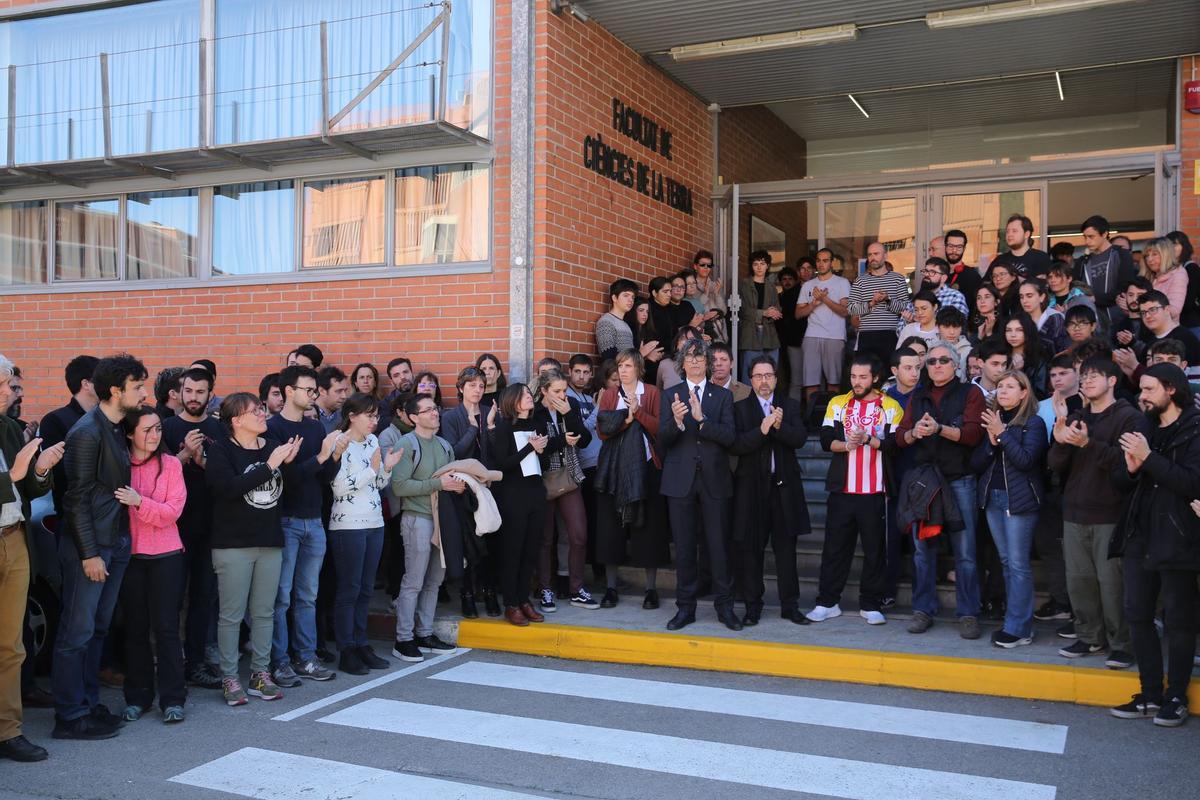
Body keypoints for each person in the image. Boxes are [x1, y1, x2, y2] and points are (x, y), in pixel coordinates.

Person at [53, 354, 147, 740]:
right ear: (115, 390)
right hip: (91, 547)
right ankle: (70, 716)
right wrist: (90, 553)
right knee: (76, 632)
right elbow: (75, 500)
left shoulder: (114, 426)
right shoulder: (86, 432)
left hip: (115, 541)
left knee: (97, 629)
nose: (143, 393)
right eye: (138, 386)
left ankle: (89, 704)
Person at [1111, 364, 1200, 726]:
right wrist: (1132, 468)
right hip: (1140, 534)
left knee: (1179, 621)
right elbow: (1120, 479)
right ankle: (1149, 693)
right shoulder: (1143, 427)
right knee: (1137, 614)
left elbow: (1192, 484)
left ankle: (1175, 695)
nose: (1141, 396)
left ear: (1171, 390)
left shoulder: (1195, 430)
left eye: (1148, 390)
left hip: (1179, 536)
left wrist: (1148, 459)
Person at [1048, 356, 1146, 668]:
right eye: (1084, 376)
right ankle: (1090, 637)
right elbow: (1054, 464)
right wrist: (1061, 438)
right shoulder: (1077, 415)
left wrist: (1088, 443)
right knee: (1079, 581)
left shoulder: (1129, 417)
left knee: (1112, 584)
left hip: (1111, 512)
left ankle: (1122, 643)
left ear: (1113, 380)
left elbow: (1127, 464)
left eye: (1095, 376)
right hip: (1074, 510)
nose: (1087, 381)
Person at [207, 393, 299, 707]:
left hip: (269, 541)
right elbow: (227, 490)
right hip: (232, 544)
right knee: (231, 615)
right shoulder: (220, 451)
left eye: (261, 409)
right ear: (235, 420)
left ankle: (261, 673)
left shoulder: (272, 448)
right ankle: (230, 676)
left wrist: (288, 462)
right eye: (254, 411)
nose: (262, 414)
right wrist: (270, 467)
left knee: (264, 612)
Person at [896, 342, 986, 638]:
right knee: (922, 552)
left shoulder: (970, 393)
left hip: (959, 479)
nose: (935, 365)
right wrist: (914, 433)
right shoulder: (918, 395)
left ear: (956, 364)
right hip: (924, 481)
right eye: (931, 361)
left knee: (966, 552)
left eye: (942, 360)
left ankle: (969, 613)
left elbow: (973, 434)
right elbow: (899, 436)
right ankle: (923, 610)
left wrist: (938, 429)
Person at [264, 366, 343, 687]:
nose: (312, 396)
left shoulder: (314, 429)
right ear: (288, 391)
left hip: (315, 519)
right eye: (308, 390)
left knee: (308, 595)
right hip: (286, 520)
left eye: (314, 391)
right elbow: (286, 479)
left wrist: (333, 457)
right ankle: (280, 661)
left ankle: (306, 656)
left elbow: (325, 480)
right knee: (281, 596)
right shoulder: (273, 429)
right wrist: (322, 457)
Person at [0, 355, 61, 762]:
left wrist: (39, 469)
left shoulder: (8, 427)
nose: (11, 391)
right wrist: (15, 474)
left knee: (12, 646)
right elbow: (13, 481)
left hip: (14, 537)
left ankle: (8, 731)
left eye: (10, 384)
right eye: (4, 383)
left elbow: (32, 491)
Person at [811, 353, 901, 625]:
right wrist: (846, 445)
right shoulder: (837, 403)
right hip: (842, 490)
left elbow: (895, 445)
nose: (857, 381)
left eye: (863, 377)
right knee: (834, 549)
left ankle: (871, 604)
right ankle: (827, 601)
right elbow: (826, 440)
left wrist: (868, 440)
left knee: (874, 550)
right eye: (853, 376)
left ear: (875, 378)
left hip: (874, 491)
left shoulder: (892, 406)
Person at [657, 340, 740, 632]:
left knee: (718, 547)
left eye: (699, 357)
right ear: (682, 362)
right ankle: (685, 609)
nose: (694, 362)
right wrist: (677, 422)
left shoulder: (722, 396)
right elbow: (662, 442)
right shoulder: (670, 395)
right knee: (684, 548)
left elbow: (730, 438)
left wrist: (702, 420)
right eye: (689, 357)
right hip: (679, 482)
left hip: (714, 480)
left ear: (707, 362)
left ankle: (725, 608)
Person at [116, 406, 187, 723]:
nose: (154, 435)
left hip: (167, 555)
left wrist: (140, 502)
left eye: (158, 429)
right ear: (130, 433)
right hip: (131, 557)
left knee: (167, 629)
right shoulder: (119, 465)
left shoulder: (171, 464)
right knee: (135, 629)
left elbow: (172, 512)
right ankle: (137, 697)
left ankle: (173, 698)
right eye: (146, 430)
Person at [729, 356, 809, 626]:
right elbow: (737, 445)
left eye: (768, 375)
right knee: (751, 552)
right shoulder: (740, 409)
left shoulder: (791, 406)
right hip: (752, 491)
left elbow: (798, 439)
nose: (764, 381)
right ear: (750, 380)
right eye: (758, 376)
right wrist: (762, 430)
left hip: (784, 489)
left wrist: (778, 426)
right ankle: (753, 606)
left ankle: (791, 606)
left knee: (787, 551)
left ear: (776, 378)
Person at [970, 371, 1047, 648]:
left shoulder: (1033, 423)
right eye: (1000, 386)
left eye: (1010, 386)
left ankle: (1019, 627)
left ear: (1024, 393)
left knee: (1018, 564)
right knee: (1005, 562)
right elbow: (977, 463)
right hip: (993, 498)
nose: (1002, 390)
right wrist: (991, 444)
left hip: (1020, 500)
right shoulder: (994, 421)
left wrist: (1002, 435)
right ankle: (1015, 621)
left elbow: (1026, 461)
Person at [328, 394, 402, 675]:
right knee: (350, 589)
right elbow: (339, 487)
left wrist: (387, 468)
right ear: (352, 416)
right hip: (348, 524)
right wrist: (372, 471)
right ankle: (346, 648)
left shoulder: (372, 442)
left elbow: (379, 483)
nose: (375, 421)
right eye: (369, 415)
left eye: (376, 415)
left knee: (366, 588)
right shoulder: (339, 442)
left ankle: (361, 643)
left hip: (374, 522)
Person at [161, 368, 225, 690]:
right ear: (179, 392)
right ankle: (170, 665)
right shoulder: (167, 428)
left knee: (203, 598)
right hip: (172, 528)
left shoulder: (220, 429)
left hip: (209, 527)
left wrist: (204, 462)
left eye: (201, 392)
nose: (194, 397)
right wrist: (184, 454)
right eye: (189, 391)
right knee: (170, 600)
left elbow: (228, 478)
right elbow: (154, 479)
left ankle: (196, 664)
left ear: (210, 394)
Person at [593, 350, 669, 610]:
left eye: (627, 365)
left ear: (638, 368)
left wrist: (638, 413)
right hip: (613, 469)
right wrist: (626, 419)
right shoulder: (610, 395)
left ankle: (650, 589)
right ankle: (611, 588)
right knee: (610, 529)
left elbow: (660, 428)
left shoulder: (652, 393)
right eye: (620, 366)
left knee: (648, 529)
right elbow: (603, 431)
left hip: (646, 467)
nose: (623, 370)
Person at [532, 369, 596, 612]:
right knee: (545, 538)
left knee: (579, 535)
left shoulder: (570, 407)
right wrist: (561, 441)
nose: (561, 395)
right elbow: (537, 447)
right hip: (544, 479)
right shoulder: (535, 413)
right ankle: (545, 588)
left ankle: (576, 588)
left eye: (564, 391)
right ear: (544, 391)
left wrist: (569, 413)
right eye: (556, 391)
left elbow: (585, 440)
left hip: (570, 475)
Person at [490, 384, 550, 627]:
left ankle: (525, 599)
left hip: (536, 492)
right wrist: (530, 448)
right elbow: (503, 464)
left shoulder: (537, 424)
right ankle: (511, 603)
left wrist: (541, 450)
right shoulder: (505, 427)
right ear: (513, 401)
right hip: (513, 495)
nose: (529, 398)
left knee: (530, 550)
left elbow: (543, 463)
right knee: (513, 551)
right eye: (525, 395)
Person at [440, 368, 499, 618]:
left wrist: (492, 427)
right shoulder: (451, 416)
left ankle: (488, 591)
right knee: (467, 542)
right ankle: (466, 595)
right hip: (461, 489)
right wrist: (473, 429)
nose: (477, 390)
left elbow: (496, 453)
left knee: (487, 541)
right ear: (461, 387)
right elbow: (453, 453)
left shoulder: (490, 413)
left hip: (486, 487)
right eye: (472, 385)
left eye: (481, 386)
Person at [37, 355, 99, 515]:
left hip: (108, 513)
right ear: (86, 384)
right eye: (101, 379)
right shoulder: (55, 420)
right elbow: (59, 472)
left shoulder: (109, 419)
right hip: (73, 514)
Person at [796, 248, 851, 407]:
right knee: (810, 382)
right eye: (818, 260)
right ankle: (812, 420)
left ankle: (833, 419)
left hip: (835, 336)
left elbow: (845, 311)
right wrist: (814, 303)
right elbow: (798, 314)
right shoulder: (808, 285)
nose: (821, 264)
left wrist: (824, 298)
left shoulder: (842, 283)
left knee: (834, 382)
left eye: (825, 260)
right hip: (811, 335)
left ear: (832, 263)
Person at [848, 242, 910, 365]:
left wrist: (887, 299)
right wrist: (871, 303)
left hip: (891, 334)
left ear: (885, 256)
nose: (872, 257)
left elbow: (905, 308)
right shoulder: (860, 281)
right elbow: (851, 309)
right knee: (866, 373)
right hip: (866, 335)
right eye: (870, 255)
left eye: (876, 254)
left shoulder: (898, 279)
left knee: (889, 372)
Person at [1073, 215, 1137, 334]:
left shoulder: (1121, 255)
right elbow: (1076, 288)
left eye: (1091, 237)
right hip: (1091, 322)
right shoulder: (1083, 261)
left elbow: (1125, 288)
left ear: (1104, 234)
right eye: (1085, 237)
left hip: (1118, 320)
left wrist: (1095, 298)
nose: (1087, 241)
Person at [738, 250, 783, 381]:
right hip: (750, 333)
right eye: (755, 264)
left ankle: (767, 402)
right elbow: (741, 310)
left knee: (770, 373)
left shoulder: (772, 287)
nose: (759, 267)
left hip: (769, 334)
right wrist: (763, 312)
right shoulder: (744, 285)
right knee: (749, 374)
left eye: (762, 263)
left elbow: (777, 309)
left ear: (767, 266)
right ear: (751, 266)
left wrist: (774, 312)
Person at [1135, 290, 1200, 379]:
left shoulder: (1184, 338)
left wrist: (1134, 367)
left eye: (1153, 310)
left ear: (1167, 310)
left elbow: (1175, 380)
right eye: (1143, 313)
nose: (1147, 316)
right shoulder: (1150, 341)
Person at [774, 266, 806, 403]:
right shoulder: (780, 297)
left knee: (798, 379)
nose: (787, 282)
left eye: (790, 279)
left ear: (795, 280)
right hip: (786, 342)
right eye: (784, 279)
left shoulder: (800, 295)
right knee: (791, 377)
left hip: (798, 341)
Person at [988, 214, 1052, 281]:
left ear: (1026, 234)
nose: (1010, 234)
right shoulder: (999, 260)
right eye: (1007, 231)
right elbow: (985, 284)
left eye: (1014, 231)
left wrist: (1015, 279)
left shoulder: (1041, 258)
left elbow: (1042, 286)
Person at [1140, 236, 1186, 323]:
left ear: (1166, 254)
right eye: (1147, 255)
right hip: (1144, 331)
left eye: (1154, 254)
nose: (1149, 259)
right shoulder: (1148, 275)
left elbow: (1174, 310)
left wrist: (1140, 308)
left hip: (1166, 332)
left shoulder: (1178, 274)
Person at [1018, 279, 1068, 357]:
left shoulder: (1055, 318)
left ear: (1042, 297)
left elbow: (1058, 349)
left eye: (1029, 296)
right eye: (1021, 297)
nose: (1024, 301)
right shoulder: (1018, 319)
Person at [1165, 230, 1200, 337]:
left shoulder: (1191, 268)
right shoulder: (1167, 269)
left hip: (1190, 324)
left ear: (1184, 246)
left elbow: (1188, 302)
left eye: (1175, 244)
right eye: (1168, 245)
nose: (1171, 248)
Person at [1004, 315, 1049, 398]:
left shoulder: (1038, 360)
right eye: (1008, 330)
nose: (1013, 335)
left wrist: (1019, 372)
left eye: (1019, 330)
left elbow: (1039, 392)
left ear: (1028, 332)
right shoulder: (1002, 355)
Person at [597, 279, 639, 362]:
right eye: (626, 295)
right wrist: (641, 353)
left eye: (632, 297)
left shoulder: (626, 325)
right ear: (614, 298)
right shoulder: (606, 321)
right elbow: (608, 358)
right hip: (614, 373)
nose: (630, 300)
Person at [692, 249, 729, 343]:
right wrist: (705, 294)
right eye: (702, 265)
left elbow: (723, 311)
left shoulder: (714, 285)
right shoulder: (691, 285)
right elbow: (693, 309)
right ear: (695, 266)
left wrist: (716, 293)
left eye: (709, 265)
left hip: (718, 333)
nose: (706, 267)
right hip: (699, 333)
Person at [944, 229, 981, 311]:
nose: (954, 250)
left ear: (964, 248)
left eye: (959, 247)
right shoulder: (935, 273)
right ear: (945, 246)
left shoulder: (973, 276)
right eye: (950, 246)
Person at [972, 339, 1013, 404]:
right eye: (995, 364)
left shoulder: (1012, 394)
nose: (1001, 370)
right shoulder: (964, 392)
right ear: (980, 363)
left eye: (1004, 364)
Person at [315, 365, 350, 433]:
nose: (344, 396)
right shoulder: (308, 415)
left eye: (345, 390)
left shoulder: (345, 416)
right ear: (322, 391)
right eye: (338, 391)